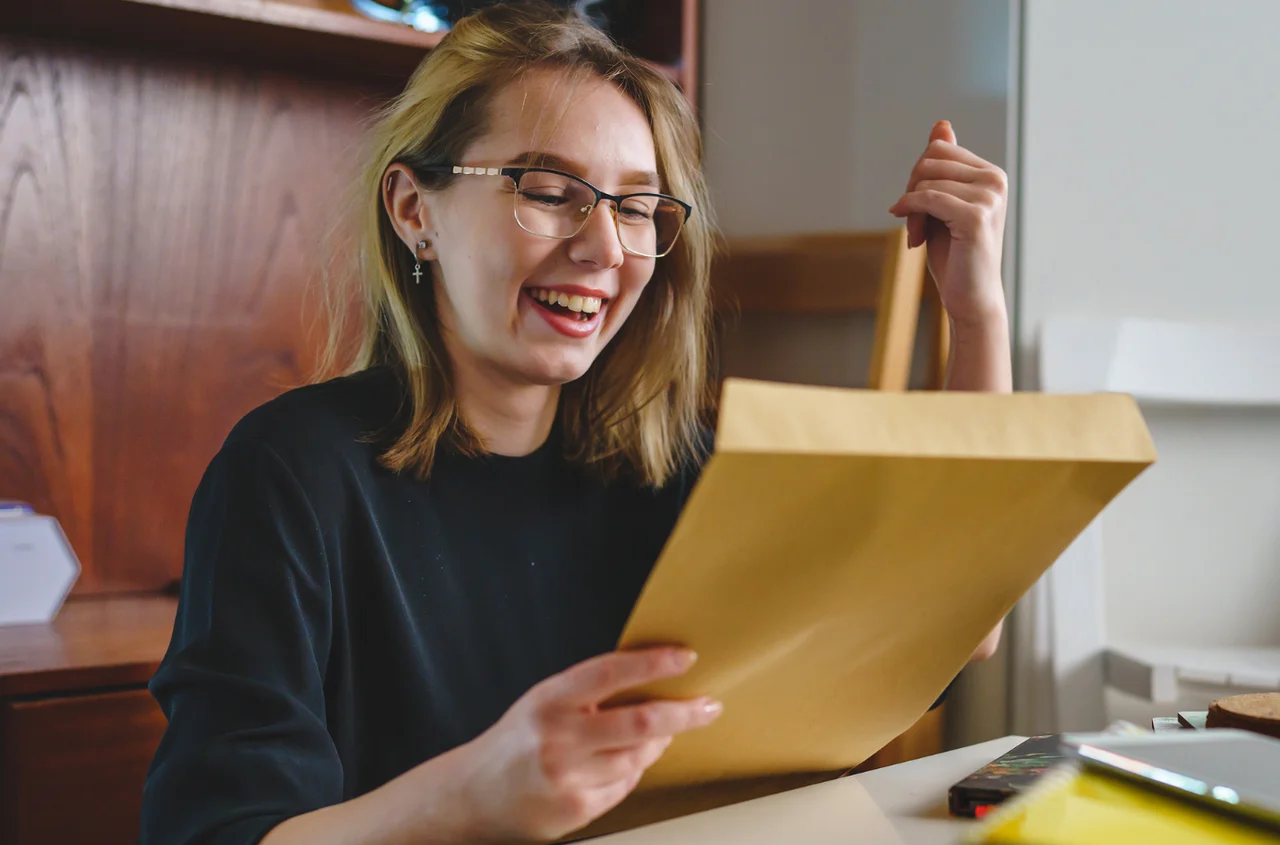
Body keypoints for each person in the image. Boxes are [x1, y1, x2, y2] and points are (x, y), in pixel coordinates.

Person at [139, 2, 1012, 842]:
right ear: (413, 211)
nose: (604, 247)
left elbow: (960, 622)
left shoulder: (682, 468)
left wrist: (976, 317)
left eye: (634, 207)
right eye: (551, 191)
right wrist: (472, 796)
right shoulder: (289, 473)